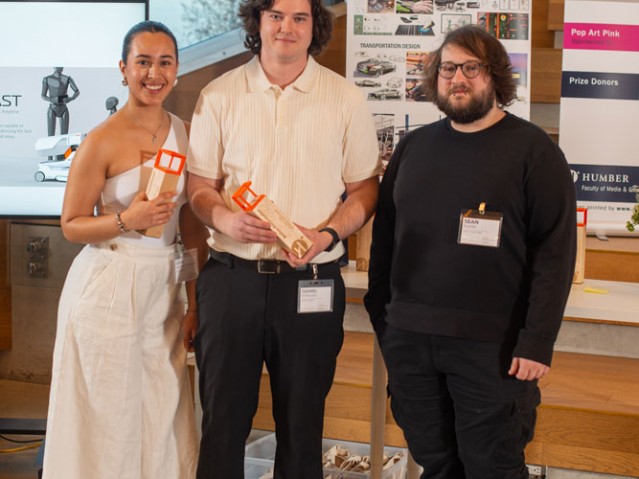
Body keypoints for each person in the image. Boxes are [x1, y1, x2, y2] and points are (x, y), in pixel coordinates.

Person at [364, 25, 576, 479]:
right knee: (436, 462)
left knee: (492, 466)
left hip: (494, 349)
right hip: (412, 342)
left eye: (471, 68)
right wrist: (386, 322)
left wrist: (537, 341)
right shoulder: (412, 148)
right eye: (447, 68)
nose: (457, 78)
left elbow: (555, 253)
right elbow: (385, 241)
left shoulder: (534, 151)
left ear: (495, 76)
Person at [186, 0, 380, 477]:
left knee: (303, 423)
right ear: (258, 22)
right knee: (222, 422)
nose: (286, 28)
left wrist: (329, 233)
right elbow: (198, 188)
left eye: (299, 17)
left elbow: (365, 189)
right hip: (232, 280)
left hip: (310, 282)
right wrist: (225, 221)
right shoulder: (219, 95)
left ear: (315, 27)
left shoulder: (346, 99)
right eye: (275, 15)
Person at [42, 21, 208, 479]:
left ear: (176, 70)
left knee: (163, 408)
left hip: (165, 290)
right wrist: (124, 220)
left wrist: (194, 303)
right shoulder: (101, 139)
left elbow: (192, 227)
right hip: (108, 286)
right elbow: (71, 225)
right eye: (143, 62)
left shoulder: (189, 133)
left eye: (164, 62)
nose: (153, 73)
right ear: (123, 69)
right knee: (106, 412)